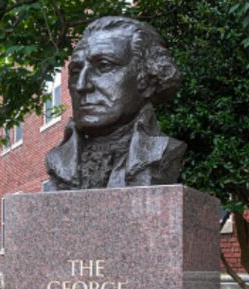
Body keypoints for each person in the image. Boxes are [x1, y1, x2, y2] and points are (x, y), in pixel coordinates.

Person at [45, 16, 184, 190]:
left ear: (147, 81)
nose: (81, 85)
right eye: (75, 71)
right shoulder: (58, 161)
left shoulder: (162, 153)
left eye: (104, 66)